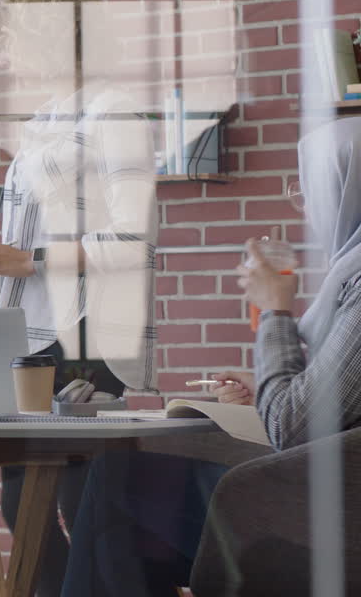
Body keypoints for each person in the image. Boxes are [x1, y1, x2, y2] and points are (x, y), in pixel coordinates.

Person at [61, 117, 361, 596]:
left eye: (310, 192)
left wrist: (274, 312)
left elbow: (295, 426)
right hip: (325, 494)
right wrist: (263, 387)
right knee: (121, 495)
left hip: (330, 519)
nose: (305, 210)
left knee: (118, 480)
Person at [0, 0, 159, 597]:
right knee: (27, 512)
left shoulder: (114, 112)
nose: (3, 58)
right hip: (32, 340)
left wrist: (34, 260)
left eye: (9, 41)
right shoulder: (46, 118)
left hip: (88, 339)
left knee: (90, 518)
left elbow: (134, 240)